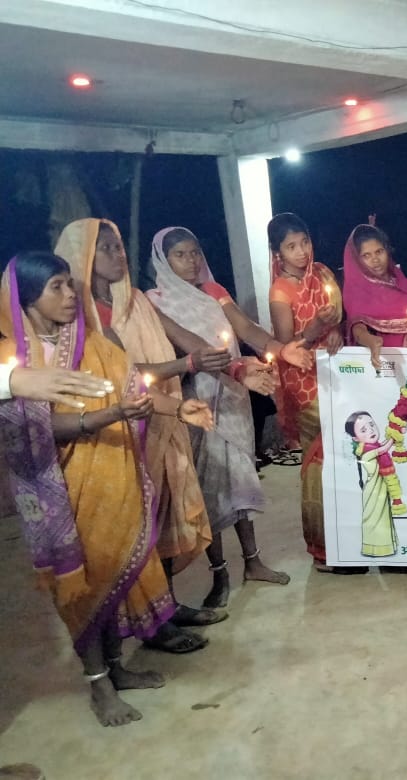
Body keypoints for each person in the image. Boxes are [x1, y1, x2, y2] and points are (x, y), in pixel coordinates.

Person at [0, 251, 213, 726]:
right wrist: (107, 416)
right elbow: (35, 428)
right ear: (26, 298)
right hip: (58, 493)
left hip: (113, 478)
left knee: (116, 573)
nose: (69, 295)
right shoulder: (13, 360)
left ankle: (117, 668)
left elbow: (134, 389)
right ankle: (98, 685)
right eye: (56, 287)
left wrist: (179, 409)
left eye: (69, 284)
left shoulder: (93, 343)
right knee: (81, 588)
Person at [55, 218, 241, 637]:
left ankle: (165, 608)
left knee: (163, 516)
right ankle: (148, 623)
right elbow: (119, 374)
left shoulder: (135, 300)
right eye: (106, 248)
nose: (118, 255)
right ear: (83, 256)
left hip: (162, 417)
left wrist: (232, 365)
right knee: (135, 526)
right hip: (117, 430)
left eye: (119, 246)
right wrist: (186, 364)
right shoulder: (80, 317)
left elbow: (185, 338)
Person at [148, 227, 294, 608]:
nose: (192, 261)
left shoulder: (214, 291)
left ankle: (253, 561)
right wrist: (230, 368)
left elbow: (244, 328)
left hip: (232, 394)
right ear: (163, 261)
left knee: (239, 475)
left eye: (195, 252)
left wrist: (280, 350)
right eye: (181, 255)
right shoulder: (156, 302)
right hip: (194, 399)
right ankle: (220, 573)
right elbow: (184, 350)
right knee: (209, 485)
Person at [267, 213, 343, 570]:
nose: (301, 252)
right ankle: (322, 548)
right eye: (291, 246)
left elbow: (339, 318)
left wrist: (335, 330)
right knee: (318, 465)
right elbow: (287, 345)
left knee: (344, 458)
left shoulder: (323, 274)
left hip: (335, 375)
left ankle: (349, 538)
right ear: (277, 253)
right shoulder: (280, 291)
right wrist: (314, 329)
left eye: (305, 242)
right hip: (304, 383)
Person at [343, 224, 407, 368]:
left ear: (387, 251)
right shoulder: (356, 290)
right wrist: (371, 342)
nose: (375, 259)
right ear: (357, 260)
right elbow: (357, 327)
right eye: (366, 255)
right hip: (379, 363)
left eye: (379, 251)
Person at [346, 411, 398, 557]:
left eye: (372, 425)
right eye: (363, 430)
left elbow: (383, 445)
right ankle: (373, 549)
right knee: (374, 519)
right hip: (373, 492)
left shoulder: (374, 447)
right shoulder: (366, 452)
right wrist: (395, 436)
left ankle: (386, 547)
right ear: (356, 438)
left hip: (380, 489)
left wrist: (396, 432)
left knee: (383, 518)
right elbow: (384, 449)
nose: (371, 430)